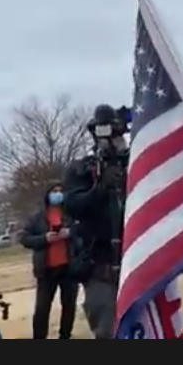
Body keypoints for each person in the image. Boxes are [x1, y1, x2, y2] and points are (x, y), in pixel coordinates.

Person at [64, 104, 130, 339]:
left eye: (116, 133)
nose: (112, 140)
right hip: (100, 268)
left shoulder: (136, 162)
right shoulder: (81, 170)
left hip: (135, 260)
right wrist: (100, 189)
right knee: (108, 331)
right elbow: (73, 206)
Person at [20, 182, 80, 339]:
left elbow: (82, 232)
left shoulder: (71, 215)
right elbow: (24, 239)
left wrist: (70, 233)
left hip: (69, 267)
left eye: (61, 191)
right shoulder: (37, 218)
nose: (58, 194)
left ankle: (65, 335)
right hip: (46, 270)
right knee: (42, 308)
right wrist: (44, 238)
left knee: (69, 306)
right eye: (54, 191)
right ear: (47, 194)